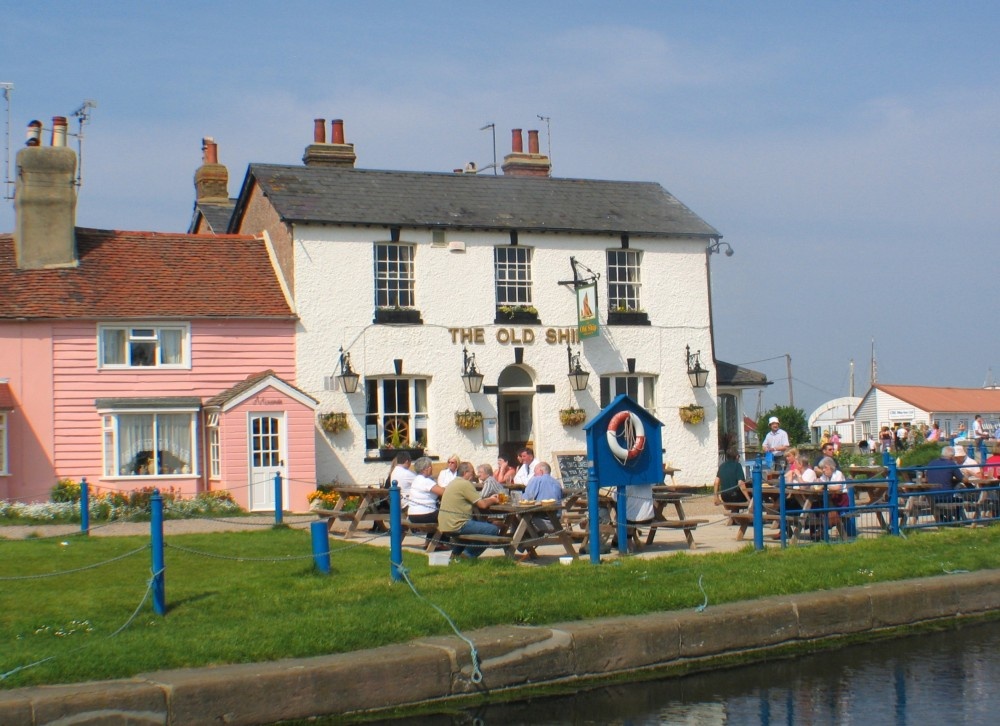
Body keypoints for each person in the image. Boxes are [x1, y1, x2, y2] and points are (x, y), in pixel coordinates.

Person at [437, 462, 502, 558]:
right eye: (472, 472)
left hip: (445, 523)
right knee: (493, 530)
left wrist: (488, 499)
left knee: (473, 531)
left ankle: (455, 554)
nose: (474, 475)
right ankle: (467, 555)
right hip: (457, 524)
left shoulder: (453, 483)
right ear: (465, 473)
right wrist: (493, 499)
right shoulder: (465, 484)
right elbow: (482, 505)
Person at [406, 457, 446, 541]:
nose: (431, 468)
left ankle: (429, 542)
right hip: (424, 515)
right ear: (425, 469)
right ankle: (440, 542)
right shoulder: (426, 481)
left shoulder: (416, 479)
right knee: (447, 515)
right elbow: (444, 492)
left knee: (437, 513)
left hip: (412, 515)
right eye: (430, 466)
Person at [924, 446, 967, 522]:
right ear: (951, 456)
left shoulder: (932, 463)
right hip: (945, 496)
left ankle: (944, 519)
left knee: (950, 496)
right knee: (959, 500)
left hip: (931, 497)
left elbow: (926, 478)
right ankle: (957, 520)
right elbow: (963, 479)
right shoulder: (951, 464)